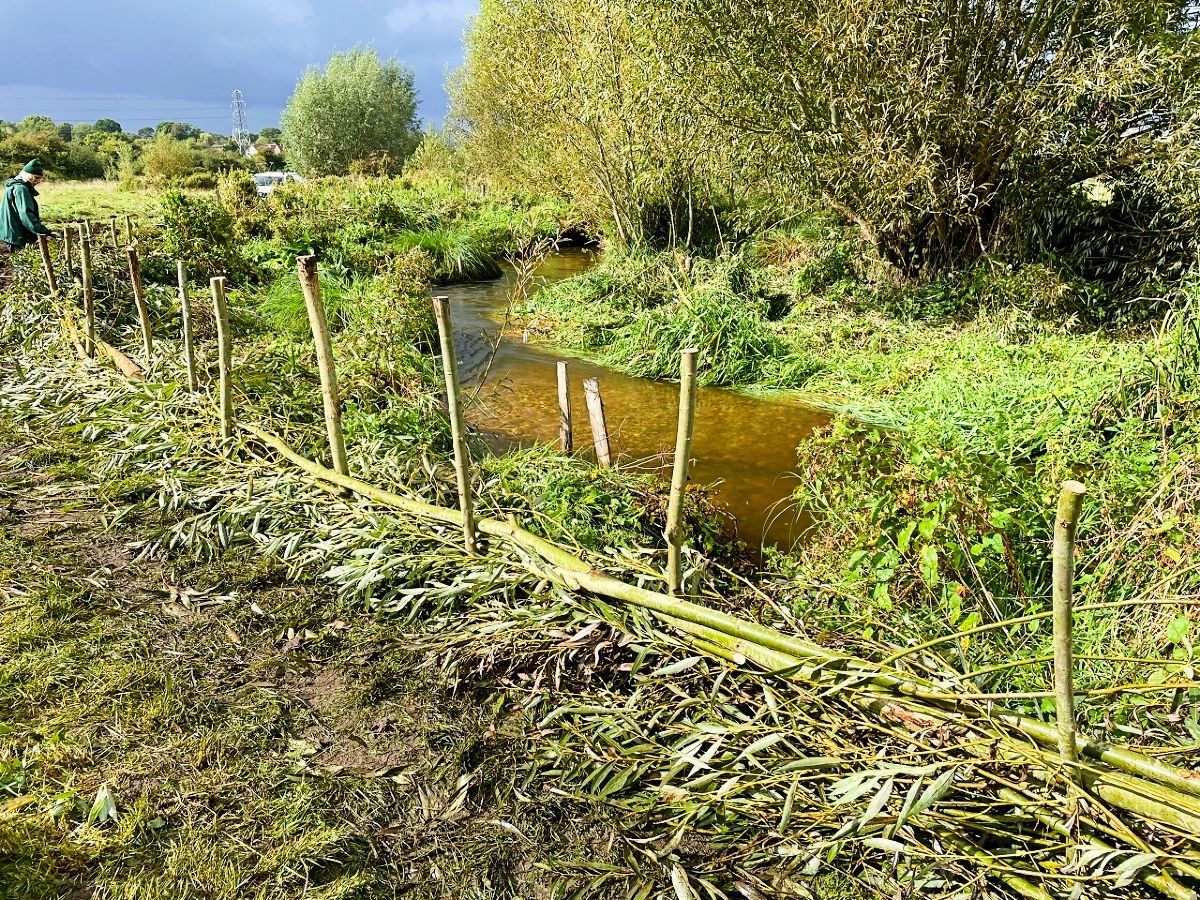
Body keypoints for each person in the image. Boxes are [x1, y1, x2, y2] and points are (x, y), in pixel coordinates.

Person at [0, 159, 52, 255]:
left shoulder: (14, 185)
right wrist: (44, 232)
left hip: (11, 231)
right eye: (35, 177)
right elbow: (26, 214)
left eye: (40, 178)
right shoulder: (21, 189)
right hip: (16, 234)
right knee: (22, 264)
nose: (38, 181)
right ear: (25, 173)